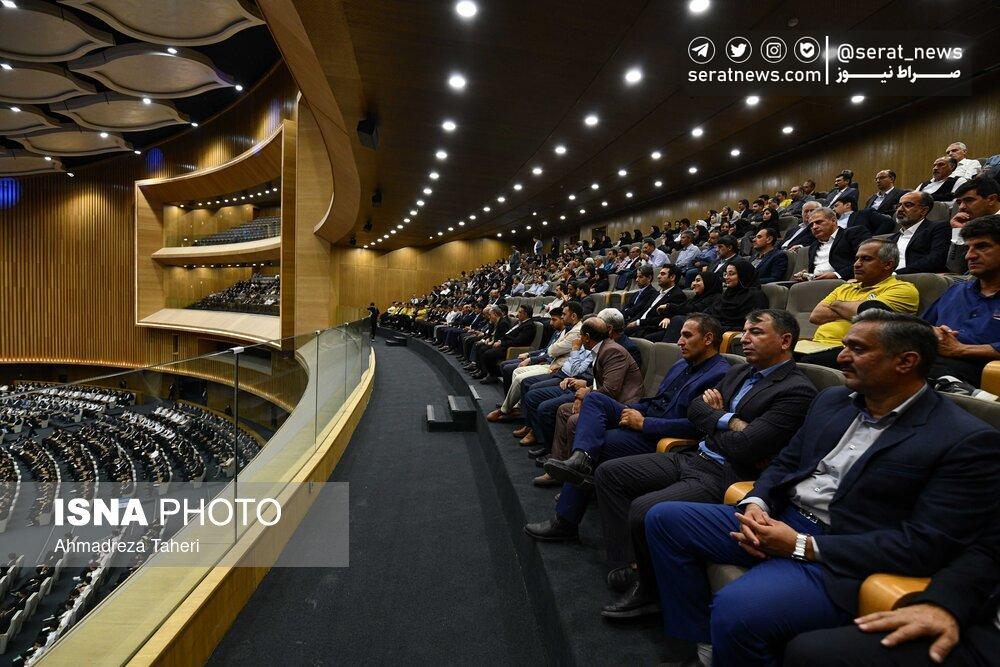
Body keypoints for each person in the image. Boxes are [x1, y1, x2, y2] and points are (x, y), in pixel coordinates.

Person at [644, 310, 1000, 667]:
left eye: (857, 349)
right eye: (844, 346)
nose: (841, 357)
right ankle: (703, 643)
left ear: (905, 362)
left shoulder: (963, 438)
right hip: (780, 517)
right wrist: (757, 503)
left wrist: (802, 545)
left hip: (837, 550)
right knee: (664, 520)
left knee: (737, 609)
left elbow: (924, 543)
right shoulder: (832, 400)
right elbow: (785, 462)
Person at [598, 309, 817, 619]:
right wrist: (730, 420)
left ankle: (650, 592)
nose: (744, 338)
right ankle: (630, 566)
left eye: (756, 332)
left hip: (725, 474)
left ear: (785, 341)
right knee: (609, 474)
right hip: (694, 455)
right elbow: (695, 410)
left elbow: (746, 447)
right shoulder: (739, 371)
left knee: (644, 509)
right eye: (744, 331)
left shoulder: (796, 390)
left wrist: (715, 421)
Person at [525, 314, 730, 535]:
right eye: (680, 335)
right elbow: (655, 401)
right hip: (645, 416)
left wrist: (644, 423)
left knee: (598, 445)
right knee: (594, 399)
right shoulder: (681, 364)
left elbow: (697, 427)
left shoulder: (720, 373)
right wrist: (632, 410)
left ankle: (565, 521)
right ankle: (580, 458)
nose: (679, 341)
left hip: (663, 437)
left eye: (687, 336)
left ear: (708, 339)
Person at [784, 530, 1000, 667]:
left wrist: (803, 545)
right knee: (811, 653)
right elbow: (989, 551)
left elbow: (921, 544)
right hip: (983, 629)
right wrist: (944, 604)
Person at [518, 317, 643, 459]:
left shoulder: (612, 351)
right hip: (603, 398)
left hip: (621, 405)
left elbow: (611, 390)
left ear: (587, 337)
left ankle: (566, 460)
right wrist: (585, 391)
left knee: (557, 411)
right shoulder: (603, 348)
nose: (579, 339)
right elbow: (601, 383)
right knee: (562, 410)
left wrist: (585, 394)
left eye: (581, 335)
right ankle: (557, 457)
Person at [802, 239, 920, 368]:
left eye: (866, 259)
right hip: (817, 345)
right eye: (857, 259)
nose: (857, 264)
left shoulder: (903, 289)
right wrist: (854, 309)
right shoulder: (846, 287)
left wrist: (836, 304)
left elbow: (870, 315)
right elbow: (816, 316)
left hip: (857, 351)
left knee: (804, 363)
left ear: (888, 264)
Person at [922, 214, 1000, 387]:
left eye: (982, 246)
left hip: (986, 371)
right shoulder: (956, 291)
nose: (969, 256)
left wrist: (961, 349)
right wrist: (934, 333)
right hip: (934, 360)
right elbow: (922, 325)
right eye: (968, 248)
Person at [488, 304, 582, 421]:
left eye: (564, 314)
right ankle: (515, 407)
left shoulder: (575, 332)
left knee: (520, 378)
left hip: (556, 367)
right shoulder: (568, 329)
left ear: (573, 316)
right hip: (552, 362)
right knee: (516, 371)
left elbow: (552, 350)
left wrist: (534, 357)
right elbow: (550, 349)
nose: (562, 317)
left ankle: (506, 409)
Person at [643, 272, 724, 343]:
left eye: (698, 280)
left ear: (708, 282)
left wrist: (669, 306)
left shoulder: (717, 298)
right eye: (694, 280)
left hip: (698, 331)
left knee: (678, 319)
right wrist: (668, 317)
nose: (693, 283)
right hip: (681, 329)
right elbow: (682, 307)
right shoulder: (696, 298)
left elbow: (694, 310)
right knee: (648, 339)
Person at [797, 206, 872, 280]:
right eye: (811, 225)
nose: (814, 227)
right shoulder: (813, 247)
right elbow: (813, 272)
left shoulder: (853, 233)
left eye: (819, 222)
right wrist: (807, 275)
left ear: (833, 220)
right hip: (816, 282)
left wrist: (837, 275)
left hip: (844, 281)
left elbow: (867, 261)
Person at [889, 190, 951, 274]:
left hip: (915, 277)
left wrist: (896, 273)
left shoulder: (938, 228)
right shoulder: (891, 239)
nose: (899, 209)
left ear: (924, 210)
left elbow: (935, 260)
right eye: (898, 206)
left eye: (908, 205)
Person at [625, 265, 687, 338]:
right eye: (659, 273)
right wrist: (631, 322)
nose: (658, 276)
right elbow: (643, 311)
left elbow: (661, 319)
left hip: (648, 329)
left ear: (672, 277)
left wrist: (638, 322)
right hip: (638, 325)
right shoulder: (656, 293)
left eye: (663, 274)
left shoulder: (677, 295)